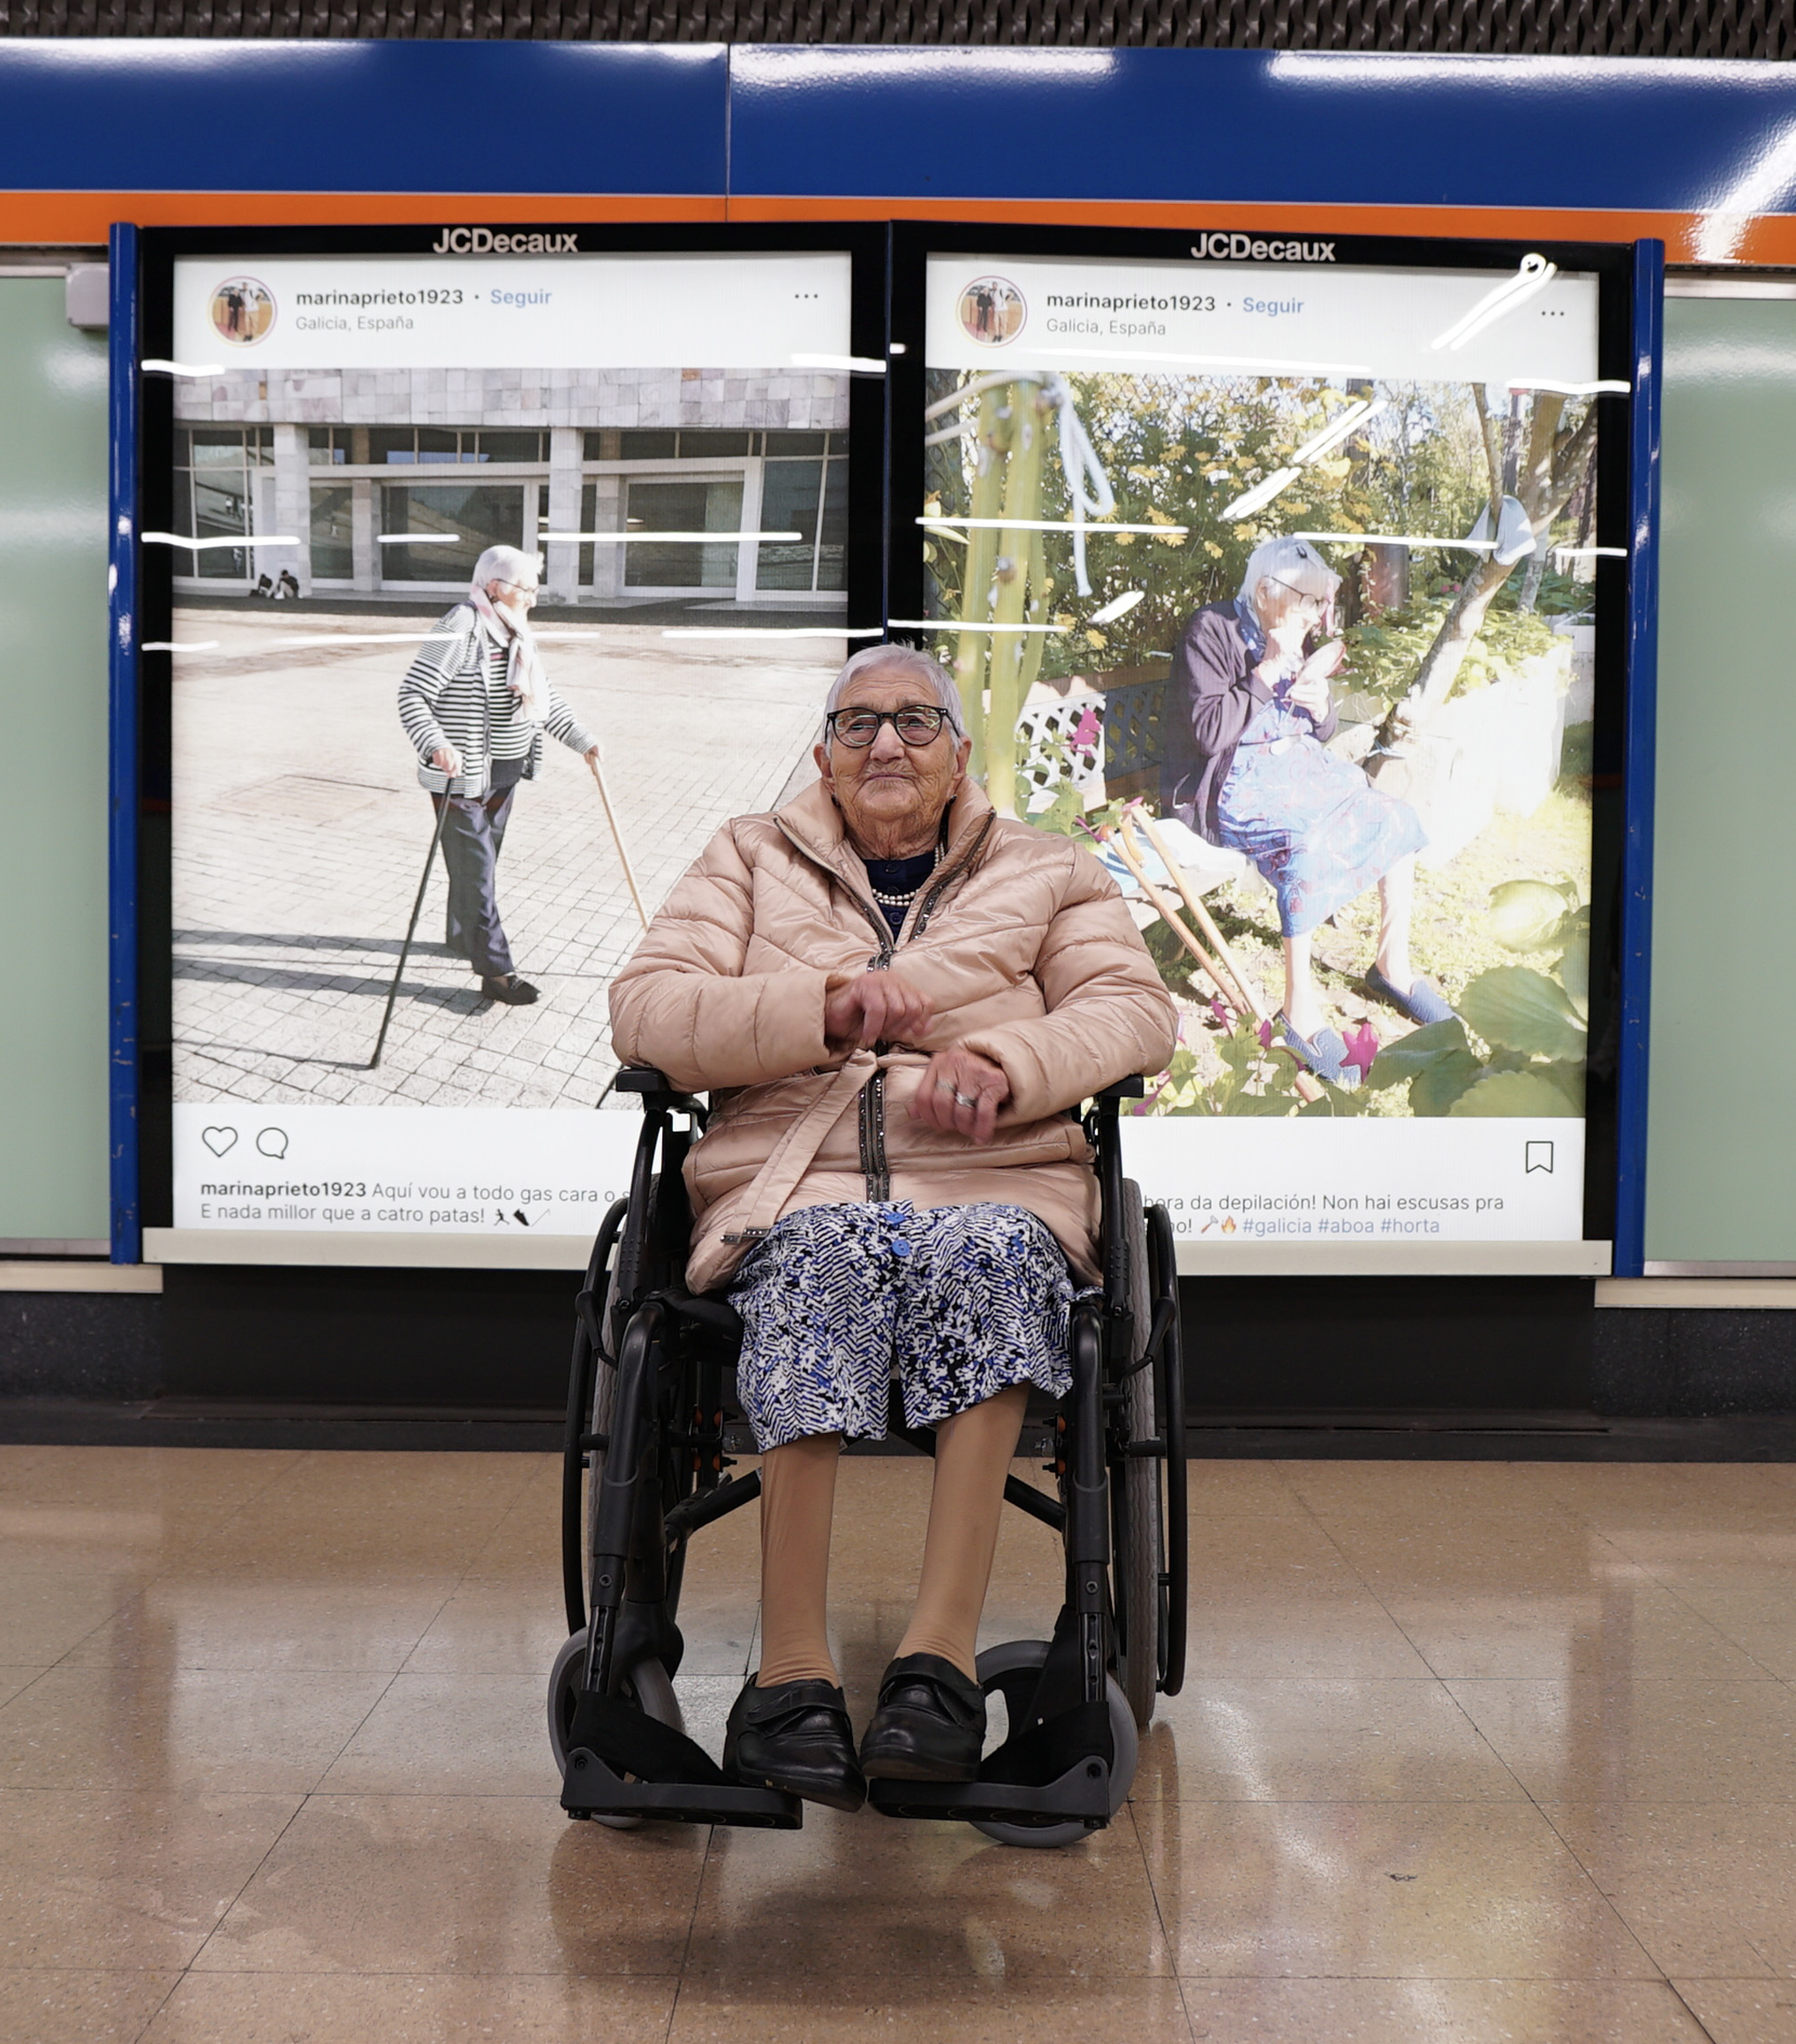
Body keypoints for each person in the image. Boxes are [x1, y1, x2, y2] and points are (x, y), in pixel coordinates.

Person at [608, 645, 1173, 1809]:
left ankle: (937, 1667)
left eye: (916, 721)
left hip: (989, 1176)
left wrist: (1008, 1059)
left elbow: (1133, 1010)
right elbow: (648, 1010)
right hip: (795, 1186)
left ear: (959, 753)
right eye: (856, 722)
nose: (885, 743)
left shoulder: (1051, 870)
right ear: (821, 754)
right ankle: (790, 1675)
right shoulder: (747, 856)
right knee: (824, 1259)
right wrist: (819, 1008)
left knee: (989, 1252)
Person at [1164, 536, 1453, 1077]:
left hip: (1295, 768)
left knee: (1394, 814)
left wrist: (1322, 709)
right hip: (1230, 785)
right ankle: (1298, 1011)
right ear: (1266, 592)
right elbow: (1207, 734)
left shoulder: (1296, 631)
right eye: (1309, 601)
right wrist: (1266, 671)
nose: (1318, 614)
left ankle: (1392, 967)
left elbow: (1316, 729)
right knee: (1307, 842)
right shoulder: (1211, 630)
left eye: (1322, 602)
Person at [398, 544, 599, 1006]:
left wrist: (583, 740)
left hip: (505, 773)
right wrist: (436, 743)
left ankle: (461, 936)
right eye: (526, 589)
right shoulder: (461, 626)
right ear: (495, 587)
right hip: (460, 778)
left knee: (476, 868)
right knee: (479, 873)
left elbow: (545, 698)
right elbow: (412, 694)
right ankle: (496, 971)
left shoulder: (517, 631)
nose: (534, 599)